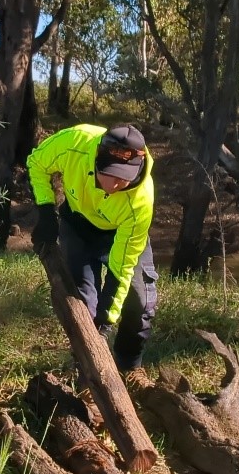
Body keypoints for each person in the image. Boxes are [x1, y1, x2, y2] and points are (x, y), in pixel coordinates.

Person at [27, 124, 157, 381]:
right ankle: (85, 371)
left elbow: (121, 268)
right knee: (83, 304)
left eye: (125, 176)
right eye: (112, 174)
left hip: (121, 233)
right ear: (96, 158)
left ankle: (129, 367)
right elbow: (36, 164)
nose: (118, 183)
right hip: (78, 225)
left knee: (141, 301)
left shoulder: (141, 200)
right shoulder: (74, 142)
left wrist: (105, 322)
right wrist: (45, 210)